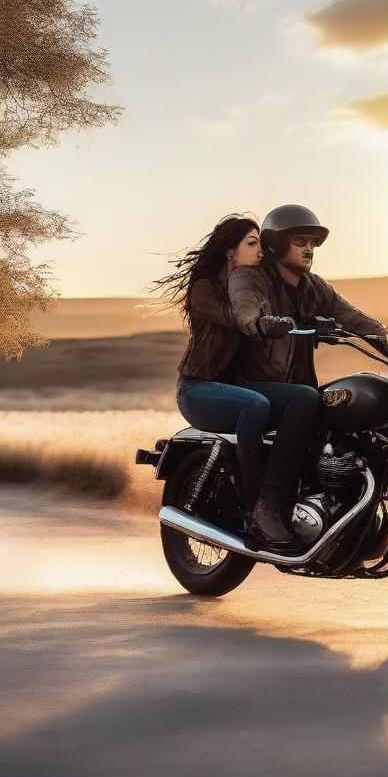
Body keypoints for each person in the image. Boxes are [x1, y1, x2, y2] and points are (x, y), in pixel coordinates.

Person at [227, 204, 388, 532]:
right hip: (255, 387)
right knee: (306, 399)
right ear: (277, 244)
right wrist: (262, 323)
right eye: (300, 241)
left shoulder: (313, 286)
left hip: (298, 386)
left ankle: (346, 500)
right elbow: (244, 309)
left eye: (313, 242)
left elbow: (351, 316)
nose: (309, 248)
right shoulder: (250, 277)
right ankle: (268, 505)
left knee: (355, 403)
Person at [154, 214, 308, 552]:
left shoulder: (255, 286)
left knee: (306, 399)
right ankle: (258, 506)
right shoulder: (205, 289)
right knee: (257, 405)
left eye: (260, 245)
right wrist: (262, 322)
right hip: (198, 389)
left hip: (237, 388)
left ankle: (282, 495)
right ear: (230, 252)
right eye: (251, 244)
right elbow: (240, 317)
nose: (260, 252)